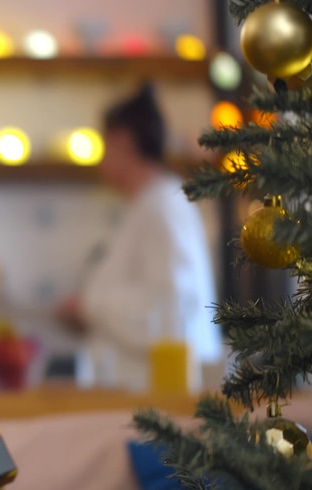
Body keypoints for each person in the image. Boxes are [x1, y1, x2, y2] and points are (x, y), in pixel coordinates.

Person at [58, 83, 222, 393]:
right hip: (139, 395)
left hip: (156, 403)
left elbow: (172, 310)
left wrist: (89, 305)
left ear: (121, 142)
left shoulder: (163, 208)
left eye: (102, 145)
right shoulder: (149, 205)